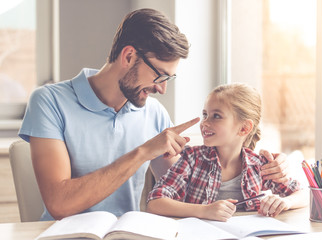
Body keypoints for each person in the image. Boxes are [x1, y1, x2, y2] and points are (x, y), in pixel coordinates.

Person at [19, 8, 290, 221]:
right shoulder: (49, 101)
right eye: (159, 75)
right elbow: (60, 204)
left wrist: (268, 169)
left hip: (129, 233)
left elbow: (189, 190)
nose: (161, 89)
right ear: (128, 57)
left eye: (168, 79)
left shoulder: (154, 113)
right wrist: (142, 152)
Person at [147, 83, 307, 222]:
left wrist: (286, 202)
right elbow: (155, 202)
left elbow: (303, 194)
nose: (205, 123)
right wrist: (205, 211)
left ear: (244, 128)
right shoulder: (191, 159)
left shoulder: (259, 166)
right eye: (205, 115)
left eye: (216, 116)